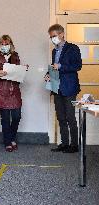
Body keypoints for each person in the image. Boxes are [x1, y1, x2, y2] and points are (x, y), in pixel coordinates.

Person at [45, 24, 82, 153]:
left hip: (69, 88)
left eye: (54, 36)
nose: (53, 39)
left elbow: (77, 66)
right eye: (51, 37)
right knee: (61, 117)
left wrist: (60, 66)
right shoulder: (54, 51)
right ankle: (64, 143)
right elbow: (53, 68)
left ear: (62, 34)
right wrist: (48, 75)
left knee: (70, 117)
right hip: (57, 87)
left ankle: (74, 145)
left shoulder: (73, 48)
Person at [0, 35, 27, 152]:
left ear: (10, 45)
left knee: (17, 116)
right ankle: (8, 142)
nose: (4, 46)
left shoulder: (15, 56)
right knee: (5, 119)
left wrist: (22, 71)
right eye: (2, 44)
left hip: (14, 91)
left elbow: (17, 74)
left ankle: (11, 138)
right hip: (1, 91)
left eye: (6, 44)